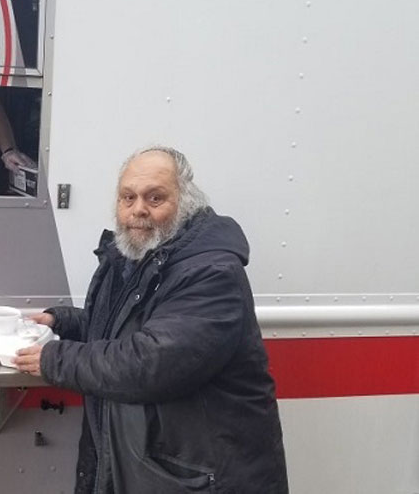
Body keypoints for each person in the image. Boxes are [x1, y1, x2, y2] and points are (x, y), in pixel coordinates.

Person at [15, 147, 288, 493]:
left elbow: (152, 362)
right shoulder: (135, 256)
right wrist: (63, 323)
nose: (138, 209)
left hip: (204, 479)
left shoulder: (211, 272)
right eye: (127, 197)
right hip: (165, 474)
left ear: (186, 204)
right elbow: (123, 327)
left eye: (155, 198)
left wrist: (57, 359)